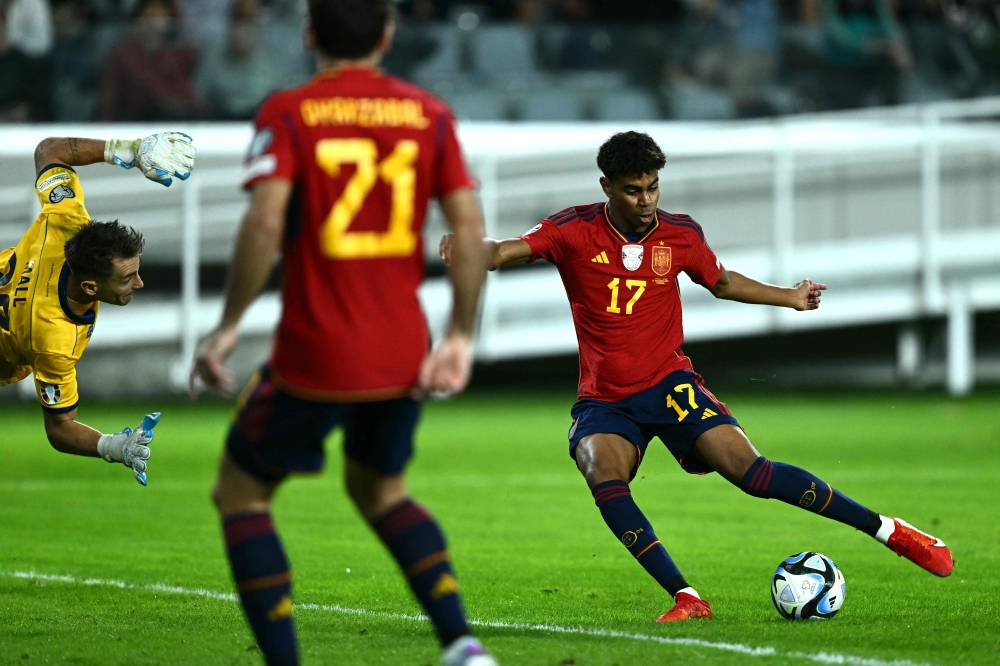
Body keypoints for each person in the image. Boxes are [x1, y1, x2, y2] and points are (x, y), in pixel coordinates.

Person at [440, 131, 954, 622]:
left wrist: (791, 297)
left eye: (653, 187)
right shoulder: (573, 229)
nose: (646, 200)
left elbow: (722, 281)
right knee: (600, 470)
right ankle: (687, 597)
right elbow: (505, 252)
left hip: (671, 384)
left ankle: (891, 531)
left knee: (753, 475)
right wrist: (469, 247)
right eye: (633, 190)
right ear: (606, 188)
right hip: (606, 399)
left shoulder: (680, 234)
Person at [189, 1, 493, 664]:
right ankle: (462, 645)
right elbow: (469, 232)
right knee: (381, 489)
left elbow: (266, 225)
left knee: (240, 493)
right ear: (387, 37)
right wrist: (461, 336)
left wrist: (227, 327)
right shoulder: (429, 113)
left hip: (315, 352)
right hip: (401, 350)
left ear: (308, 36)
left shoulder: (289, 111)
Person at [0, 131, 196, 485]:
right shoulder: (53, 338)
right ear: (90, 287)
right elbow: (59, 428)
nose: (139, 284)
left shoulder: (67, 218)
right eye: (127, 278)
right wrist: (114, 446)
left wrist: (130, 151)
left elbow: (49, 150)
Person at [97, 0, 203, 121]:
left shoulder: (176, 52)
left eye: (159, 15)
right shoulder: (123, 53)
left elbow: (186, 92)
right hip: (135, 123)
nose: (153, 21)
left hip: (174, 122)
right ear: (138, 18)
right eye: (148, 15)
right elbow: (110, 99)